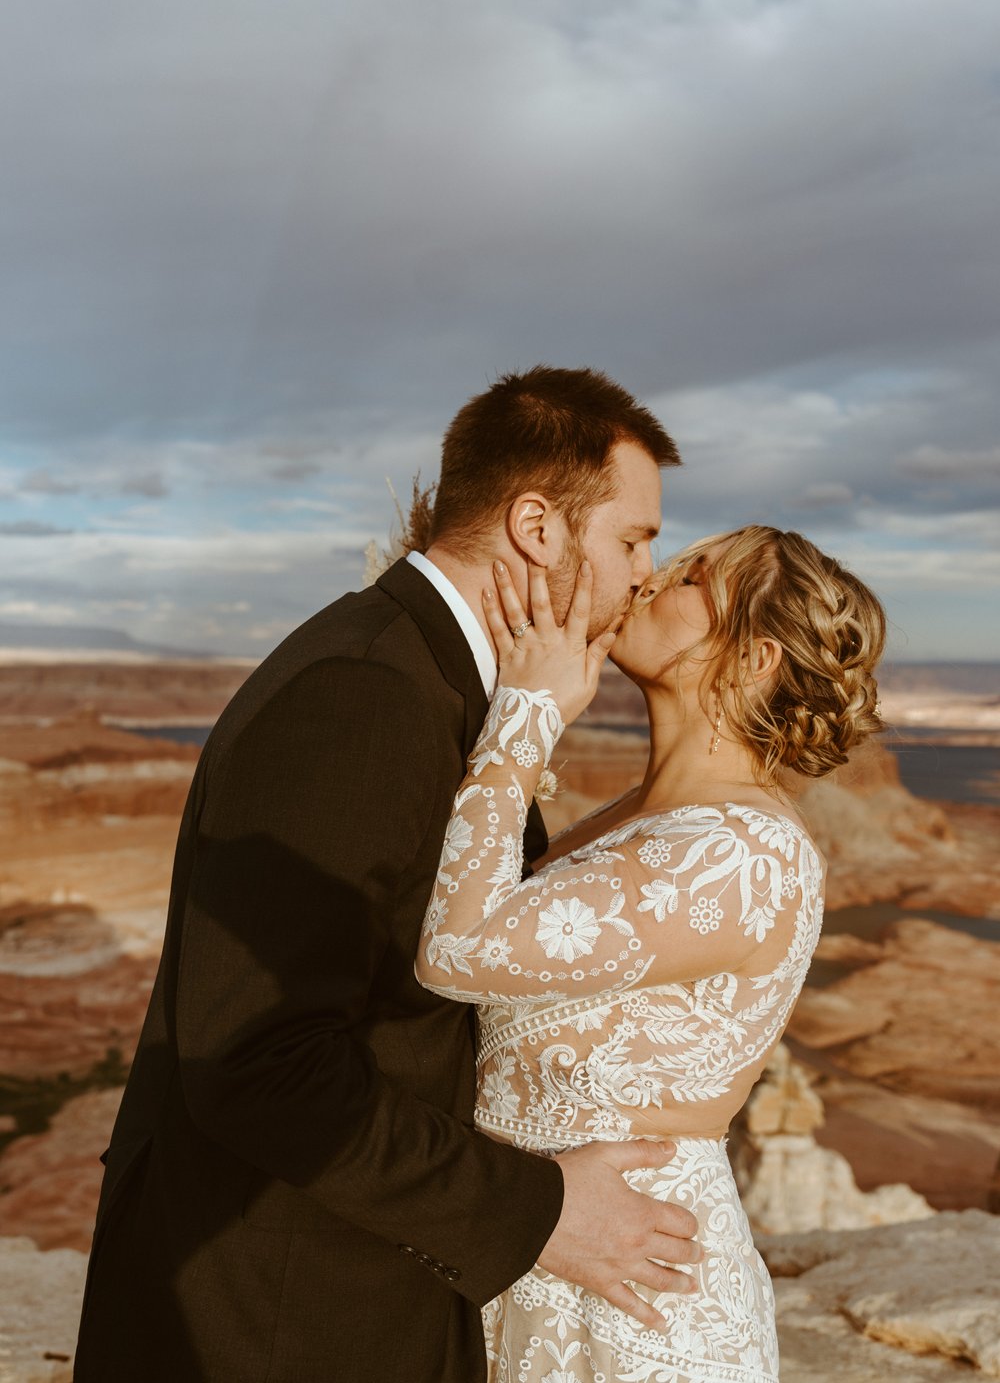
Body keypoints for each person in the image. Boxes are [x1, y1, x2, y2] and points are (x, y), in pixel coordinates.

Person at [73, 366, 704, 1383]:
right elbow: (258, 1058)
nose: (645, 572)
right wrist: (536, 1208)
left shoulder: (431, 680)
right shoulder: (364, 695)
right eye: (633, 538)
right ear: (537, 526)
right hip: (275, 1317)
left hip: (346, 1289)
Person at [415, 525, 886, 1382]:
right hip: (539, 1249)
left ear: (753, 660)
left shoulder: (744, 853)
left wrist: (528, 710)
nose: (648, 582)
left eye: (693, 580)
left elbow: (457, 948)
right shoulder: (635, 818)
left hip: (636, 1287)